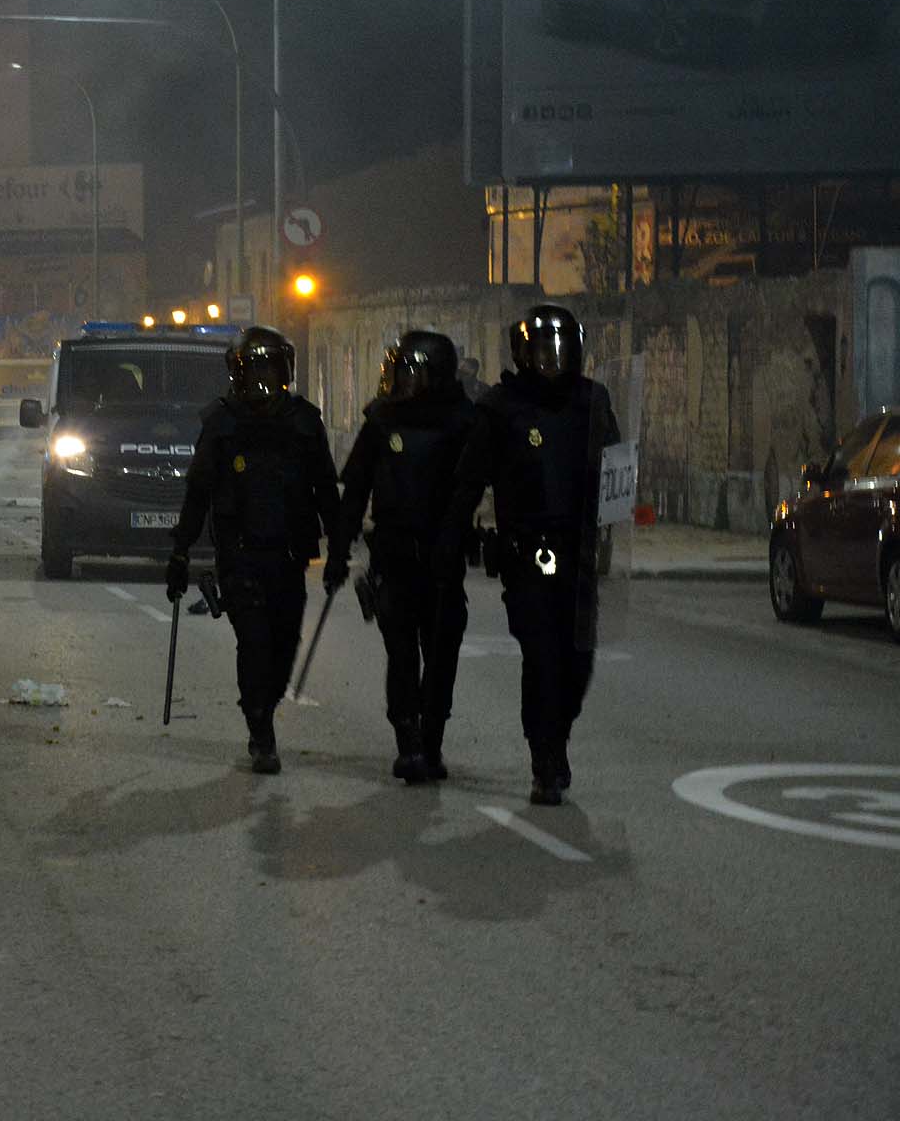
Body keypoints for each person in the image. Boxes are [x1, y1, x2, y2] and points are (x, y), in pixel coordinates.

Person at [438, 304, 619, 806]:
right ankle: (545, 758)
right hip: (527, 553)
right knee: (541, 657)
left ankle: (557, 732)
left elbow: (617, 467)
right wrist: (452, 540)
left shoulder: (592, 402)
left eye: (560, 350)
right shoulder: (502, 407)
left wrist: (620, 510)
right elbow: (470, 480)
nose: (551, 360)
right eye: (541, 351)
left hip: (579, 553)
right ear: (523, 354)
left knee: (577, 662)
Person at [166, 326, 341, 774]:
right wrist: (180, 551)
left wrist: (339, 546)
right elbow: (198, 491)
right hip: (241, 554)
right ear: (238, 374)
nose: (262, 379)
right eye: (254, 369)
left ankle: (268, 704)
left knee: (284, 645)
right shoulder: (222, 423)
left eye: (271, 368)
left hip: (289, 555)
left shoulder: (304, 421)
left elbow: (325, 488)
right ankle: (260, 730)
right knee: (255, 643)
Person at [326, 331, 477, 785]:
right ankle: (408, 740)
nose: (405, 383)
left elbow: (473, 489)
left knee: (441, 652)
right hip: (393, 555)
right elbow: (355, 493)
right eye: (401, 373)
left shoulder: (464, 424)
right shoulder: (382, 422)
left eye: (414, 374)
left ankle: (432, 739)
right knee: (401, 653)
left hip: (442, 559)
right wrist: (338, 551)